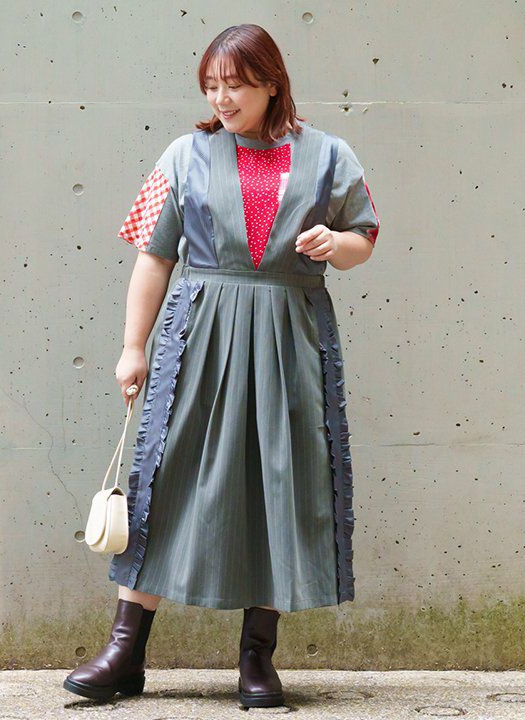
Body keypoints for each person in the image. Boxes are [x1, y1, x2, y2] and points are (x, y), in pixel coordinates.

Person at [63, 23, 380, 708]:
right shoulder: (183, 154)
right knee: (164, 477)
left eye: (235, 85)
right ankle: (125, 651)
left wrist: (337, 243)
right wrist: (133, 346)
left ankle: (257, 657)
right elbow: (153, 255)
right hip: (197, 337)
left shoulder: (331, 155)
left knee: (280, 481)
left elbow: (365, 236)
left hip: (290, 337)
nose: (221, 98)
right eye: (211, 85)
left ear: (272, 82)